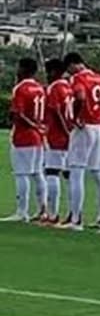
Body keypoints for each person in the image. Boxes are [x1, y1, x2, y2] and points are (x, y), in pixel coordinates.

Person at [62, 52, 100, 231]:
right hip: (98, 127)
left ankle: (76, 219)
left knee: (76, 171)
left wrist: (76, 116)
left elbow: (81, 97)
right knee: (98, 173)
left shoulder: (78, 78)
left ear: (74, 65)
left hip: (84, 128)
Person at [4, 57, 46, 223]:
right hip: (38, 137)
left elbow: (18, 113)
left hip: (24, 135)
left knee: (21, 173)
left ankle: (22, 211)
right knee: (37, 173)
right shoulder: (40, 88)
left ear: (22, 69)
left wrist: (31, 125)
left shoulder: (20, 88)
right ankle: (42, 208)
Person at [42, 58, 72, 224]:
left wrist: (64, 130)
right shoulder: (69, 86)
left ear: (53, 72)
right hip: (70, 136)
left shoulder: (54, 87)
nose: (47, 75)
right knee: (69, 175)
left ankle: (53, 215)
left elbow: (56, 111)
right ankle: (71, 214)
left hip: (57, 136)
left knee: (52, 172)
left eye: (48, 71)